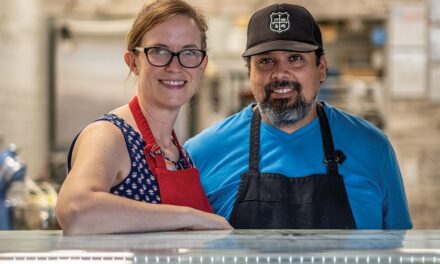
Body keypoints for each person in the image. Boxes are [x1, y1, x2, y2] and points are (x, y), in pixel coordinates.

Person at [184, 3, 412, 229]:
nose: (280, 73)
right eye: (265, 61)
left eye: (295, 58)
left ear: (321, 68)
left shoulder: (373, 148)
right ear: (249, 73)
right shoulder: (201, 154)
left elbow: (397, 249)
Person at [56, 0, 232, 235]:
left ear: (202, 65)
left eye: (189, 53)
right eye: (159, 51)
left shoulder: (179, 155)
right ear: (133, 62)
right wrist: (188, 216)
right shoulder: (109, 134)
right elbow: (75, 211)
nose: (174, 66)